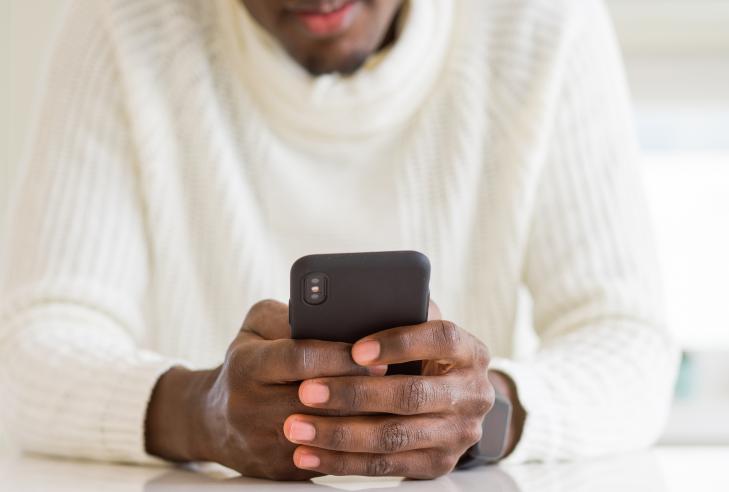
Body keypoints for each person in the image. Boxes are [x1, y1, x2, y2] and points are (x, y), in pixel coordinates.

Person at [0, 0, 678, 481]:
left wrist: (482, 416)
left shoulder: (543, 22)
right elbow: (31, 348)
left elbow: (630, 345)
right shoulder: (123, 23)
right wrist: (202, 413)